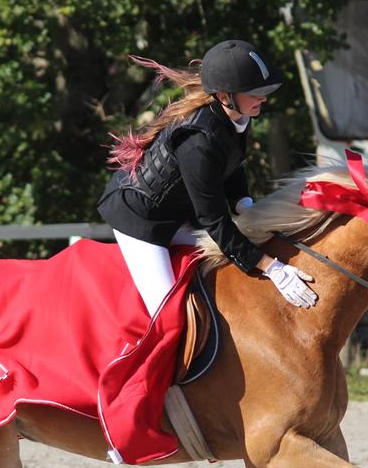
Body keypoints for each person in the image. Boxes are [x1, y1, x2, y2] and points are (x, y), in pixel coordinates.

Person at [97, 40, 317, 317]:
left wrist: (245, 205)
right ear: (225, 95)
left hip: (180, 210)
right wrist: (272, 268)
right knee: (169, 315)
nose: (263, 97)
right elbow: (214, 221)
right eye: (255, 92)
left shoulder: (238, 115)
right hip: (141, 220)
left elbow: (232, 163)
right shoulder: (198, 141)